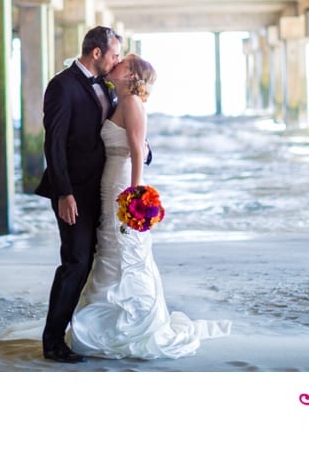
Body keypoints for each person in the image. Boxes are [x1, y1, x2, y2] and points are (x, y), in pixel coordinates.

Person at [67, 53, 231, 359]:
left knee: (124, 245)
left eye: (122, 63)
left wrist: (135, 193)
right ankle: (109, 324)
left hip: (121, 181)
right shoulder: (119, 101)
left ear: (130, 76)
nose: (115, 64)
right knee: (111, 247)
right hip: (109, 179)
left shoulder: (130, 103)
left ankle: (130, 325)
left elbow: (137, 150)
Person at [36, 26, 123, 363]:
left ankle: (89, 333)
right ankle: (53, 341)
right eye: (114, 54)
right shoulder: (62, 86)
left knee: (97, 262)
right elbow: (53, 143)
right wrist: (64, 193)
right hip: (74, 191)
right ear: (97, 53)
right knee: (75, 262)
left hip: (104, 188)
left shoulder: (107, 83)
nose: (117, 60)